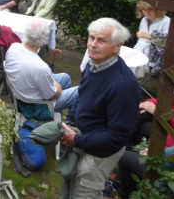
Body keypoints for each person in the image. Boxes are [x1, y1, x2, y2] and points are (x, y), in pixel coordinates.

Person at [60, 18, 141, 198]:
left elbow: (117, 137)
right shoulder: (92, 65)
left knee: (85, 192)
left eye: (101, 40)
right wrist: (69, 122)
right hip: (83, 139)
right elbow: (81, 96)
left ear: (117, 46)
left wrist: (77, 140)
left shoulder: (123, 85)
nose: (93, 45)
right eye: (91, 38)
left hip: (99, 153)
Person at [4, 18, 78, 119]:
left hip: (21, 93)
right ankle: (62, 122)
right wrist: (57, 86)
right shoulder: (40, 67)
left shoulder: (14, 47)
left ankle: (56, 120)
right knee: (80, 91)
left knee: (65, 77)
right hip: (36, 107)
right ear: (44, 38)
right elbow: (53, 95)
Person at [133, 0, 170, 75]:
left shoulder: (166, 21)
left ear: (158, 10)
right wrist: (135, 52)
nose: (146, 12)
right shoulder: (144, 20)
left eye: (150, 10)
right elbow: (141, 41)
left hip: (156, 61)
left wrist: (150, 37)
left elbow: (167, 43)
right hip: (141, 56)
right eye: (144, 10)